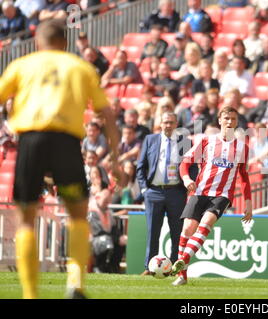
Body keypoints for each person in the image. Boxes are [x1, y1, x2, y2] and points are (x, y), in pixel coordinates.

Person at [0, 20, 121, 299]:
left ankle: (30, 294)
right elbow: (107, 114)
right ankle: (76, 286)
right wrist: (114, 157)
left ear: (37, 42)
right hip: (66, 143)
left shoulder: (22, 65)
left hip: (31, 141)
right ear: (65, 43)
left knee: (27, 220)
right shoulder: (80, 67)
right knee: (78, 214)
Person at [170, 106, 253, 286]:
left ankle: (182, 260)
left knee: (206, 223)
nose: (230, 122)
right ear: (220, 120)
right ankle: (182, 276)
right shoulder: (206, 141)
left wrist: (248, 202)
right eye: (227, 119)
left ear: (237, 122)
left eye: (233, 119)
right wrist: (186, 179)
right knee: (186, 231)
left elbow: (244, 177)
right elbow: (185, 163)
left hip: (222, 195)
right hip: (199, 192)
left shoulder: (242, 147)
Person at [136, 112, 197, 275]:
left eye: (171, 122)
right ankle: (149, 268)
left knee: (177, 232)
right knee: (152, 232)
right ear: (160, 123)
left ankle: (175, 268)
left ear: (176, 123)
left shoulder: (185, 142)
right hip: (154, 192)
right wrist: (144, 189)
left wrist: (188, 184)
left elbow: (193, 166)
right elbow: (140, 166)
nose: (168, 125)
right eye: (165, 122)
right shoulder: (150, 140)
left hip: (176, 192)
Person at [88, 188, 126, 274]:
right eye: (105, 200)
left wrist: (119, 237)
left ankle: (113, 267)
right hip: (93, 239)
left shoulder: (107, 211)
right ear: (98, 198)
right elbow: (96, 230)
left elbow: (113, 227)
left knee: (122, 241)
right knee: (105, 241)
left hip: (107, 236)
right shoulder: (92, 211)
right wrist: (113, 237)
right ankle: (99, 267)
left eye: (108, 201)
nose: (107, 203)